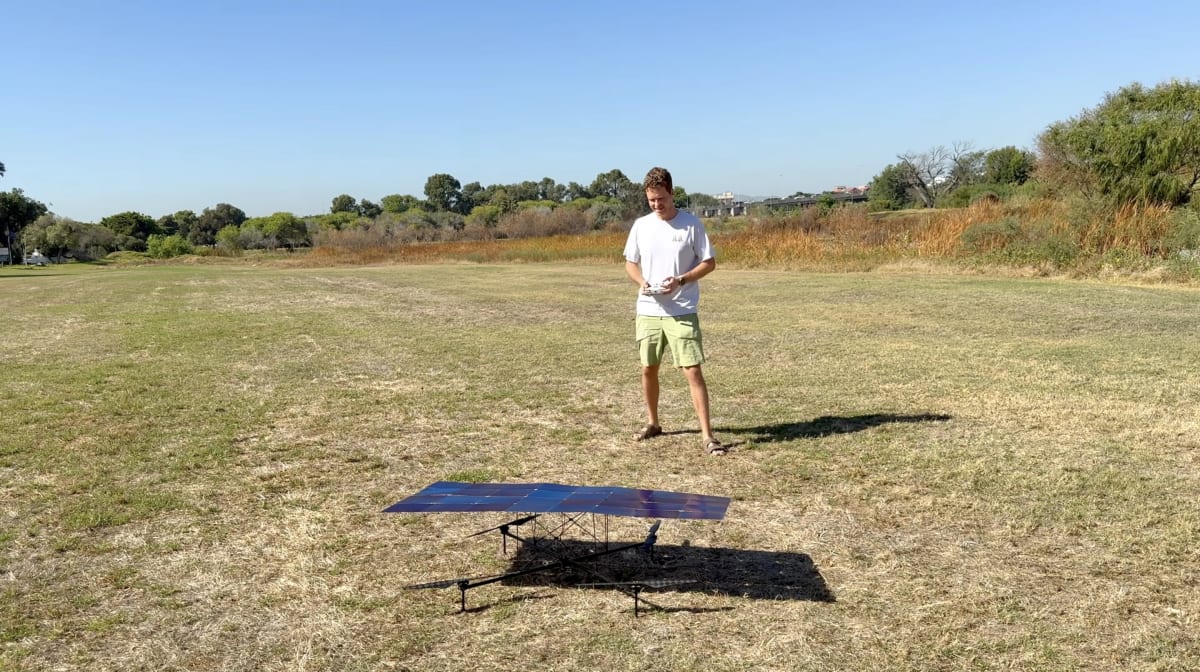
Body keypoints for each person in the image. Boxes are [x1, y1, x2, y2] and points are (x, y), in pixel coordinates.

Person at [623, 167, 725, 455]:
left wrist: (681, 280)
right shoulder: (641, 226)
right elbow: (630, 263)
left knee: (692, 370)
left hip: (682, 310)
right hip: (648, 309)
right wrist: (642, 283)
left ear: (672, 193)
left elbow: (709, 262)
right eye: (651, 200)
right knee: (648, 368)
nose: (657, 205)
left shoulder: (691, 225)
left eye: (662, 199)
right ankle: (653, 423)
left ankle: (708, 436)